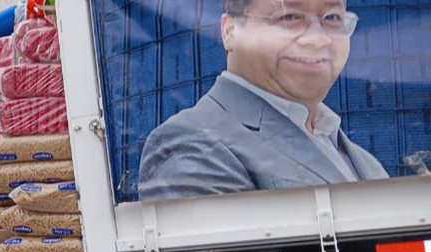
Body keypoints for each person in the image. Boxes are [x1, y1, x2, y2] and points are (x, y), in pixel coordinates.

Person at [139, 0, 388, 201]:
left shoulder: (363, 161)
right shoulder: (192, 145)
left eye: (332, 17)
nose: (317, 39)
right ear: (231, 31)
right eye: (289, 17)